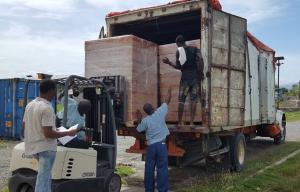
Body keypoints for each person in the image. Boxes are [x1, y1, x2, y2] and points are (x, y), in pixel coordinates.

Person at [23, 79, 77, 192]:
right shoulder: (47, 108)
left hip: (34, 147)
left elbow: (25, 125)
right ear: (51, 90)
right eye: (55, 91)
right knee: (43, 179)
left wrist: (53, 129)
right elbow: (48, 134)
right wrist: (68, 132)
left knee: (46, 177)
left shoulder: (30, 105)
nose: (55, 94)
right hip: (46, 148)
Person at [162, 35, 204, 128]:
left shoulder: (179, 51)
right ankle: (192, 123)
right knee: (193, 100)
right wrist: (201, 73)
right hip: (195, 79)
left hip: (185, 79)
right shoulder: (195, 49)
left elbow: (178, 67)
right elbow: (200, 60)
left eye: (177, 45)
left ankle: (180, 123)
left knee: (181, 101)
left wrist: (169, 62)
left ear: (179, 43)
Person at [136, 88, 172, 192]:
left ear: (146, 112)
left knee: (149, 169)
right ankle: (162, 190)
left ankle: (149, 190)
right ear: (153, 108)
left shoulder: (145, 121)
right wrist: (169, 90)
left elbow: (138, 129)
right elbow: (167, 100)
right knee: (162, 169)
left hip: (151, 147)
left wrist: (139, 118)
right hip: (161, 145)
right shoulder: (160, 112)